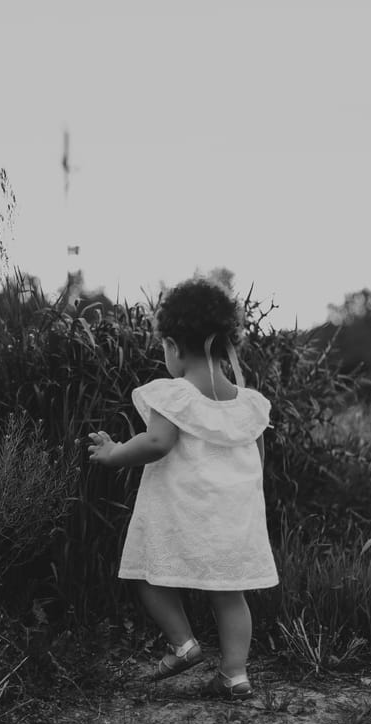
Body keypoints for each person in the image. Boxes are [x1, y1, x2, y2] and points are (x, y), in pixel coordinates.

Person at [87, 278, 277, 698]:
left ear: (173, 345)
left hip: (181, 516)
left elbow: (157, 443)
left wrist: (114, 452)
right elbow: (258, 462)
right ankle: (235, 673)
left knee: (148, 575)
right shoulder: (251, 405)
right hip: (233, 521)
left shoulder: (174, 395)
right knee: (231, 596)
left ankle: (184, 644)